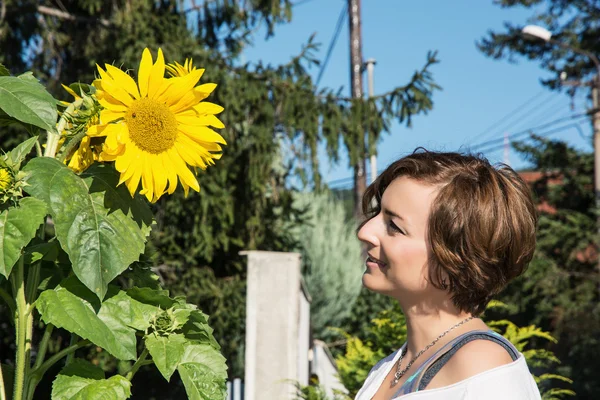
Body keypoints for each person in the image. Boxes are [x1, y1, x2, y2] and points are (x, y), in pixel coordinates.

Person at [354, 149, 542, 399]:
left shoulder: (482, 367)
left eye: (395, 226)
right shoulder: (388, 368)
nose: (365, 231)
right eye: (378, 214)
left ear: (454, 258)